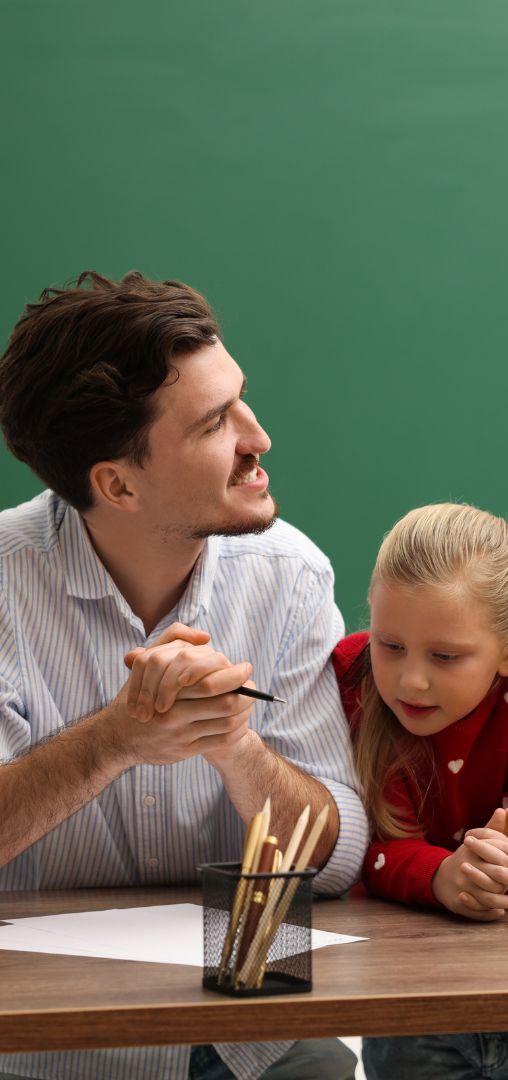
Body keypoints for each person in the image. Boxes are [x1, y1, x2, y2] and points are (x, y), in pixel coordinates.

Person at [0, 271, 367, 1080]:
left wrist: (237, 745)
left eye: (242, 399)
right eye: (214, 424)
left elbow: (337, 859)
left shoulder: (290, 574)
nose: (258, 437)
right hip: (45, 1044)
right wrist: (115, 741)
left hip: (248, 1038)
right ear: (118, 484)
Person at [333, 502, 508, 1080]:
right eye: (390, 645)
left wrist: (501, 866)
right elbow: (367, 846)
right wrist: (442, 877)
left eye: (445, 656)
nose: (410, 679)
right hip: (409, 990)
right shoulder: (352, 672)